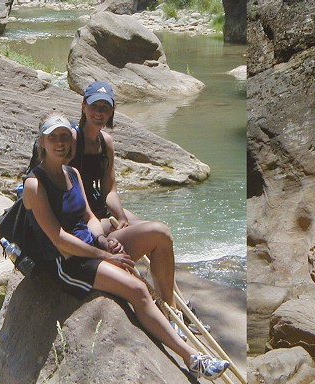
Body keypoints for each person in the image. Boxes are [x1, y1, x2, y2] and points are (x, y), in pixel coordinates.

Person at [22, 114, 229, 380]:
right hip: (67, 261)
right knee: (137, 288)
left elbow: (89, 218)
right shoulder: (35, 184)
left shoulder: (71, 173)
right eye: (53, 137)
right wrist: (105, 255)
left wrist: (103, 240)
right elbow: (59, 238)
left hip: (92, 247)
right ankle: (192, 358)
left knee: (159, 233)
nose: (60, 142)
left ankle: (168, 312)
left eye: (64, 136)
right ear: (42, 142)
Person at [68, 81, 181, 318]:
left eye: (104, 108)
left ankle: (166, 295)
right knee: (160, 233)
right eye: (94, 106)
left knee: (137, 222)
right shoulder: (71, 140)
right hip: (83, 218)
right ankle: (169, 309)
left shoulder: (105, 142)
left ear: (112, 111)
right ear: (83, 107)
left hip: (99, 209)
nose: (99, 113)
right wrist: (108, 223)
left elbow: (109, 189)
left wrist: (120, 216)